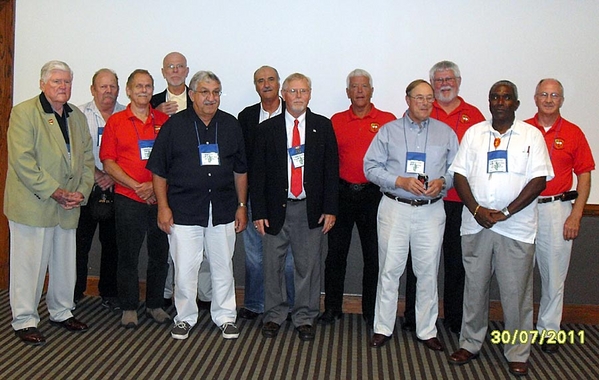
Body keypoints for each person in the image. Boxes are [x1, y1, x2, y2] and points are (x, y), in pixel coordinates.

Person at [448, 80, 553, 377]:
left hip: (516, 227)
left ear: (516, 104)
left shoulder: (531, 136)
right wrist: (477, 210)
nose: (500, 102)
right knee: (474, 289)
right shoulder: (474, 134)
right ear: (489, 101)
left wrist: (506, 212)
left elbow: (539, 181)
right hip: (476, 224)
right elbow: (459, 176)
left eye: (506, 98)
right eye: (495, 97)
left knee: (516, 293)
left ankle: (518, 351)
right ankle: (470, 343)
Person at [148, 70, 247, 340]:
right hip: (184, 209)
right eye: (204, 92)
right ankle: (185, 317)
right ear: (191, 95)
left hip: (224, 208)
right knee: (185, 268)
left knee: (223, 266)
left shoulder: (230, 125)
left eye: (216, 92)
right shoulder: (174, 126)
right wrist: (163, 207)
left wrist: (241, 205)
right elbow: (159, 171)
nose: (211, 98)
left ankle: (226, 316)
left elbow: (240, 170)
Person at [364, 79, 458, 351]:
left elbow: (457, 169)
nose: (426, 103)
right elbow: (370, 167)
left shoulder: (446, 133)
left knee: (427, 272)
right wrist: (399, 181)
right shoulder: (388, 131)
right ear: (407, 100)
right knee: (389, 271)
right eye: (420, 98)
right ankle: (383, 327)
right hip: (395, 207)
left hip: (430, 211)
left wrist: (444, 181)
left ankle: (427, 330)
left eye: (430, 98)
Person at [5, 60, 94, 345]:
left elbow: (88, 160)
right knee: (28, 267)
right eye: (56, 81)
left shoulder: (77, 116)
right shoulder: (24, 113)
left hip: (68, 204)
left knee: (65, 264)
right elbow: (23, 161)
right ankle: (24, 319)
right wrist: (56, 191)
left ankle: (61, 311)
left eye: (67, 82)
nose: (63, 86)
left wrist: (81, 192)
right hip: (35, 203)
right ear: (43, 83)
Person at [251, 73, 339, 341]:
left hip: (310, 209)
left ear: (310, 94)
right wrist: (260, 212)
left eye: (303, 91)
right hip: (276, 209)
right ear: (284, 94)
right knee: (272, 266)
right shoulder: (267, 129)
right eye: (293, 91)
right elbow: (258, 174)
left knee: (308, 267)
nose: (298, 96)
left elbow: (330, 171)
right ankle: (274, 315)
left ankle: (304, 317)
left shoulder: (322, 126)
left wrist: (330, 208)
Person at [403, 61, 485, 334]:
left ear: (459, 81)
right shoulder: (423, 111)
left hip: (460, 202)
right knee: (421, 262)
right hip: (425, 202)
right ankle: (414, 317)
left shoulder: (473, 115)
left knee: (455, 262)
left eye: (449, 79)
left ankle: (453, 318)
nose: (444, 84)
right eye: (438, 80)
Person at [320, 69, 396, 328]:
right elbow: (328, 164)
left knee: (374, 255)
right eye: (355, 86)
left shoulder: (387, 120)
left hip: (374, 195)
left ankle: (371, 311)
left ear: (372, 91)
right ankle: (332, 308)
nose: (360, 90)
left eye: (364, 86)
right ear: (348, 92)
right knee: (335, 255)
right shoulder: (336, 121)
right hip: (341, 194)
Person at [524, 78, 595, 354]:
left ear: (562, 100)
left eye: (555, 95)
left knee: (554, 275)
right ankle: (521, 331)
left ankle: (549, 332)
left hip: (557, 210)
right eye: (544, 94)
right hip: (524, 208)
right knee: (519, 273)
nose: (549, 99)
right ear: (535, 98)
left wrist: (576, 215)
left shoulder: (574, 133)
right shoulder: (523, 130)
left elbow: (585, 176)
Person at [99, 69, 171, 329]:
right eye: (138, 86)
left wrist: (153, 187)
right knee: (127, 256)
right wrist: (137, 186)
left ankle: (154, 305)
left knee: (159, 254)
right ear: (128, 90)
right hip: (128, 198)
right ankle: (129, 306)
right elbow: (108, 162)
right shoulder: (116, 121)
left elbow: (172, 160)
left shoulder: (164, 120)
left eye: (148, 86)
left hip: (160, 198)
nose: (144, 90)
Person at [150, 51, 211, 309]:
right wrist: (156, 114)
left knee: (205, 247)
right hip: (167, 181)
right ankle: (168, 293)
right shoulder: (151, 102)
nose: (175, 71)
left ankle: (206, 295)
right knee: (171, 244)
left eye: (180, 67)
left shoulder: (199, 97)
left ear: (187, 71)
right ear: (163, 72)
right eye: (170, 67)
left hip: (198, 182)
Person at [237, 65, 295, 320]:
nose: (266, 84)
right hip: (254, 195)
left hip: (287, 197)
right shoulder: (246, 117)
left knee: (289, 258)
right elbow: (241, 159)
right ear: (256, 86)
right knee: (254, 254)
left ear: (279, 84)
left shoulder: (293, 113)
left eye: (271, 79)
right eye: (261, 80)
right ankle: (254, 303)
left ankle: (290, 305)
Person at [74, 68, 126, 311]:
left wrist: (113, 177)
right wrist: (97, 174)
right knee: (79, 244)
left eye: (112, 86)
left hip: (117, 188)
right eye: (103, 86)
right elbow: (74, 152)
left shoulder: (127, 114)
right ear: (93, 89)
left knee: (113, 244)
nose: (108, 91)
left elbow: (131, 153)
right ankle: (74, 292)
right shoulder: (78, 114)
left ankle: (109, 292)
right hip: (84, 187)